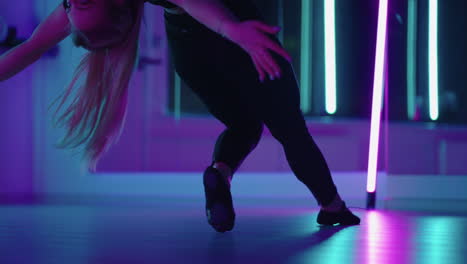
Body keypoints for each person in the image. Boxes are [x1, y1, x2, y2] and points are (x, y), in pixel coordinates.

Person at [0, 0, 360, 233]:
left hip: (192, 56)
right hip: (234, 32)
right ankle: (332, 207)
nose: (73, 0)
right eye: (85, 2)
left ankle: (219, 173)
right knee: (289, 129)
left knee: (244, 125)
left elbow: (29, 48)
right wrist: (234, 31)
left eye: (70, 3)